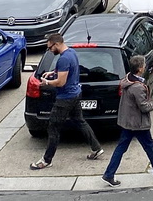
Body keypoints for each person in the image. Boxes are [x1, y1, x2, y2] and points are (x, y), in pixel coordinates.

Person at [30, 33, 103, 170]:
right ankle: (96, 148)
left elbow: (60, 82)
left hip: (65, 98)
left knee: (53, 127)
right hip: (75, 94)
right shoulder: (72, 53)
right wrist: (53, 72)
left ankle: (46, 160)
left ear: (56, 44)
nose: (50, 50)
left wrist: (47, 82)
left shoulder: (63, 59)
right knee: (80, 121)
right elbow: (67, 70)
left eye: (50, 48)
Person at [101, 56, 153, 186]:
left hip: (127, 121)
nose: (145, 66)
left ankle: (109, 174)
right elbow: (143, 106)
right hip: (137, 123)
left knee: (121, 148)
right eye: (143, 65)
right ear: (140, 69)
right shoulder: (137, 87)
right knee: (149, 145)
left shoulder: (127, 79)